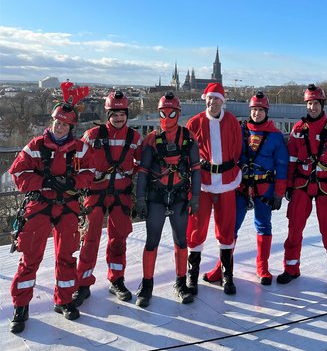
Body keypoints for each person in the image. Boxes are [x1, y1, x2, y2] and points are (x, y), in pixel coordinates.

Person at [8, 82, 94, 333]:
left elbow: (90, 172)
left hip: (67, 206)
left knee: (66, 256)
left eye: (65, 124)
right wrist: (44, 182)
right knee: (30, 257)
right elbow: (18, 173)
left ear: (71, 127)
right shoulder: (35, 146)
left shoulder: (80, 149)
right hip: (40, 205)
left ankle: (64, 300)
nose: (60, 127)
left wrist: (72, 182)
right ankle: (21, 306)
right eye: (58, 122)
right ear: (52, 121)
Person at [202, 92, 289, 286]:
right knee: (230, 227)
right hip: (240, 186)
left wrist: (279, 193)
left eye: (260, 110)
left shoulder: (275, 136)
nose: (257, 113)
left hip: (265, 187)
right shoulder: (240, 131)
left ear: (266, 111)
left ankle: (262, 266)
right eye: (254, 110)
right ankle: (222, 267)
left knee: (263, 225)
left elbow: (282, 166)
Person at [278, 84, 327, 297]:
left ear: (322, 104)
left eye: (315, 103)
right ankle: (291, 268)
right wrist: (289, 186)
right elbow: (291, 160)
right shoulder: (298, 129)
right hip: (301, 184)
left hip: (325, 186)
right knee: (294, 230)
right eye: (309, 103)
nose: (312, 107)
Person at [72, 90, 142, 307]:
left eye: (122, 114)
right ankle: (83, 284)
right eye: (115, 114)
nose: (119, 118)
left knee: (118, 240)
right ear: (108, 114)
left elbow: (143, 165)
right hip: (95, 194)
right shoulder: (92, 136)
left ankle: (117, 280)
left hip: (121, 195)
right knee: (90, 240)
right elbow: (77, 162)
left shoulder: (134, 138)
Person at [134, 92, 201, 306]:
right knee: (151, 241)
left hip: (180, 197)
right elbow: (143, 171)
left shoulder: (188, 137)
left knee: (181, 241)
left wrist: (196, 196)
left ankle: (181, 283)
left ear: (178, 113)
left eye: (171, 112)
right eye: (163, 112)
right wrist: (140, 199)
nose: (167, 116)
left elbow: (196, 169)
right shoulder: (152, 140)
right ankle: (146, 285)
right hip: (156, 197)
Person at [185, 82, 242, 295]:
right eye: (210, 98)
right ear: (205, 99)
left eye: (217, 99)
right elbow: (187, 154)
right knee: (196, 228)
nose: (213, 102)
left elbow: (236, 149)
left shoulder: (232, 122)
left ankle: (227, 275)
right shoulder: (195, 122)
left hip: (227, 181)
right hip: (203, 183)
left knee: (226, 228)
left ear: (222, 101)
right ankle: (192, 275)